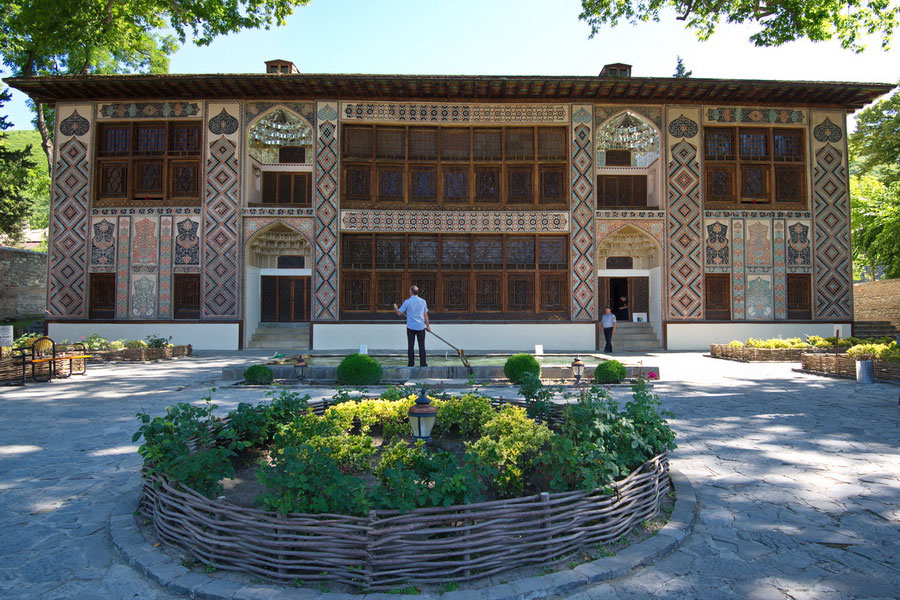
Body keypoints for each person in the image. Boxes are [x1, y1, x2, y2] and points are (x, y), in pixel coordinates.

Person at [394, 286, 430, 367]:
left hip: (411, 327)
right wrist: (428, 326)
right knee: (422, 346)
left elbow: (399, 313)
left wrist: (396, 308)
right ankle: (423, 363)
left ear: (411, 292)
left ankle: (411, 363)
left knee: (411, 346)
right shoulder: (423, 301)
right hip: (421, 326)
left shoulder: (407, 302)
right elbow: (425, 315)